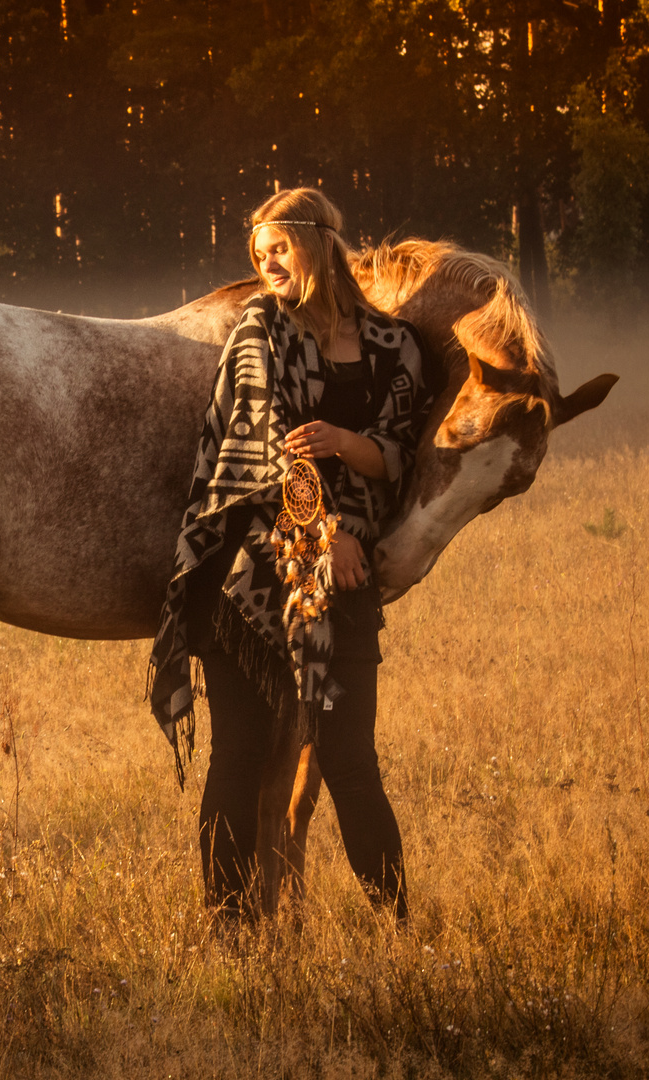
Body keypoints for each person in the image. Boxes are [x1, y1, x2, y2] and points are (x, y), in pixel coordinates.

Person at [148, 187, 428, 921]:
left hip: (344, 579)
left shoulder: (393, 345)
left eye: (279, 248)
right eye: (258, 254)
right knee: (239, 757)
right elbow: (265, 442)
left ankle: (401, 929)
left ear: (318, 243)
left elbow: (401, 453)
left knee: (350, 763)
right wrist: (325, 533)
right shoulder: (259, 332)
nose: (267, 264)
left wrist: (344, 444)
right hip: (252, 571)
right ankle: (230, 929)